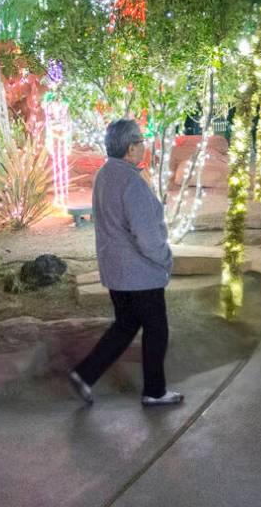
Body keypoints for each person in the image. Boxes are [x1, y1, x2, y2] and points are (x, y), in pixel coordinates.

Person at [67, 119, 182, 407]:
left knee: (126, 325)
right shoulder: (131, 182)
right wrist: (165, 259)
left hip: (116, 270)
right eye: (141, 142)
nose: (144, 146)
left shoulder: (105, 175)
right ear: (131, 148)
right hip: (140, 273)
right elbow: (146, 235)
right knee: (156, 328)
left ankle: (85, 374)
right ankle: (155, 391)